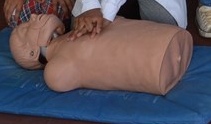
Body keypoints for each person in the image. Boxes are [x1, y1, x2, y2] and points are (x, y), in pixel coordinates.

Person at [10, 13, 193, 95]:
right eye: (26, 29)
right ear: (32, 53)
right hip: (156, 65)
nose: (32, 16)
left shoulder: (76, 27)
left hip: (166, 41)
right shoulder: (55, 69)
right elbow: (58, 79)